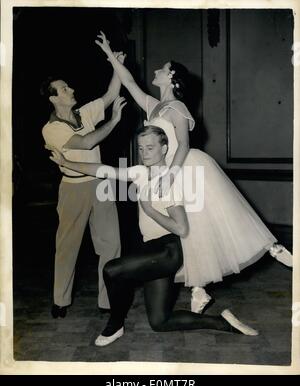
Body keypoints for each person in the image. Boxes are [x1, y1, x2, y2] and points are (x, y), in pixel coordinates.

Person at [94, 32, 293, 314]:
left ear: (171, 76)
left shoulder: (177, 107)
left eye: (161, 69)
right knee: (190, 232)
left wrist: (169, 176)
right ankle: (198, 288)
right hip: (165, 170)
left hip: (184, 166)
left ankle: (272, 247)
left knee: (209, 222)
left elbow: (183, 144)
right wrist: (110, 55)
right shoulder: (154, 106)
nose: (154, 71)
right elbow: (127, 82)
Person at [47, 125, 259, 346]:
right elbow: (104, 170)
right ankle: (223, 323)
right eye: (141, 148)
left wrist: (149, 210)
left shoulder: (168, 182)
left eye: (150, 147)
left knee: (112, 270)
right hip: (153, 250)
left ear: (164, 148)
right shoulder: (140, 172)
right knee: (160, 321)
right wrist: (67, 163)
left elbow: (182, 229)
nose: (144, 152)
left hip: (169, 250)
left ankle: (115, 325)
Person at [41, 52, 126, 318]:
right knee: (68, 245)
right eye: (65, 89)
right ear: (54, 98)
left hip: (100, 183)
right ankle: (60, 299)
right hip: (73, 188)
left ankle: (107, 301)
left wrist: (117, 65)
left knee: (111, 244)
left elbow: (111, 94)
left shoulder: (84, 112)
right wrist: (113, 121)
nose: (72, 90)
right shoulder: (51, 129)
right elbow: (86, 143)